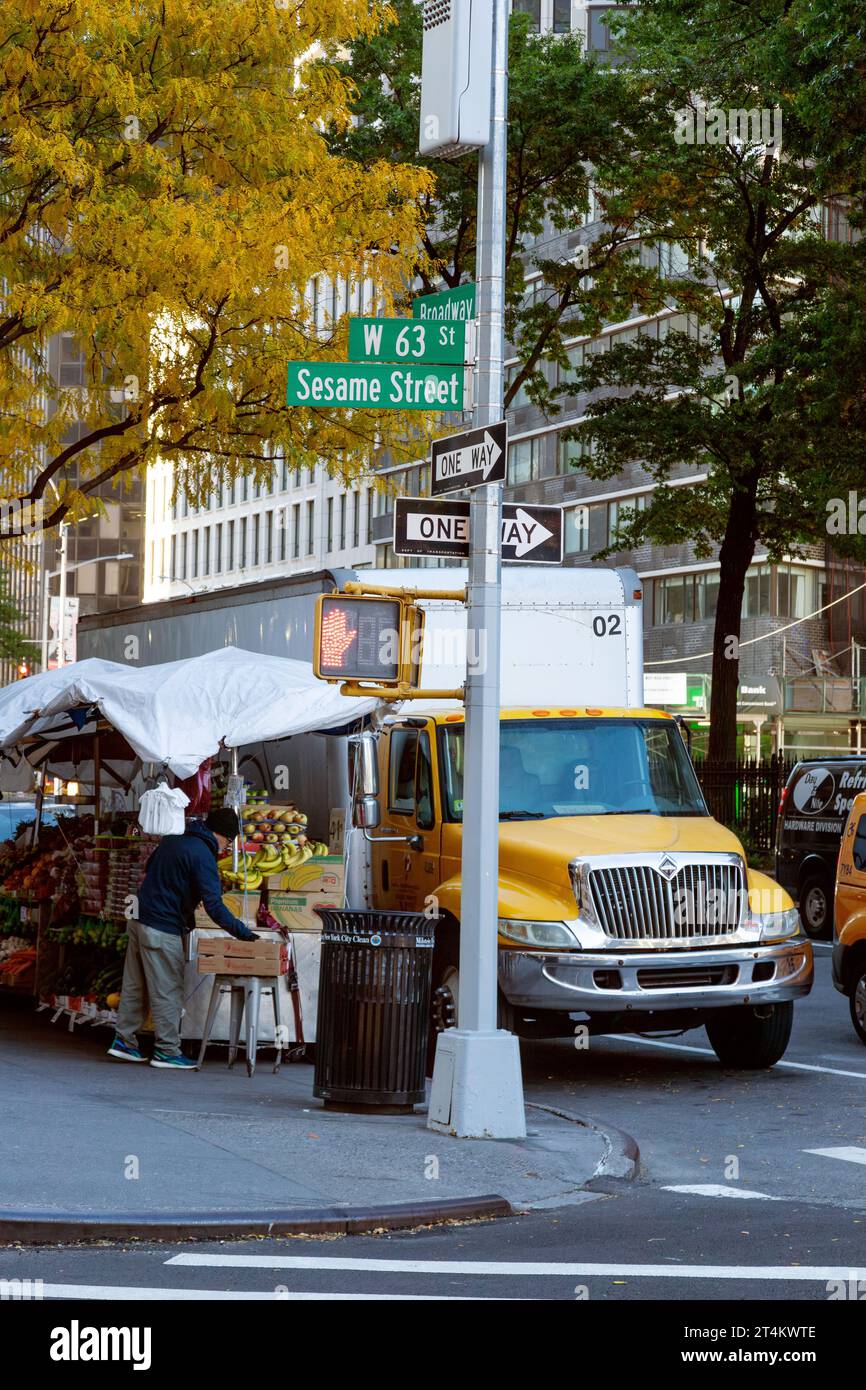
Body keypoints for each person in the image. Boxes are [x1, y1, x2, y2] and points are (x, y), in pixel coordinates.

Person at [108, 808, 258, 1069]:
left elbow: (152, 872)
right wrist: (244, 933)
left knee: (135, 986)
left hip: (139, 919)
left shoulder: (173, 839)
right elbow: (214, 906)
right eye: (229, 841)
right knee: (167, 990)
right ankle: (167, 1051)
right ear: (223, 836)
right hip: (162, 928)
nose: (226, 848)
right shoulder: (203, 855)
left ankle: (124, 1041)